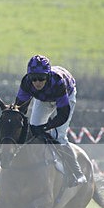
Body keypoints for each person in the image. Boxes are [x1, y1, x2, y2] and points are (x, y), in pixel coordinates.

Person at [14, 54, 87, 187]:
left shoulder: (58, 82)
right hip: (43, 99)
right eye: (33, 78)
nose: (37, 82)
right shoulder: (26, 82)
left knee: (59, 136)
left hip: (66, 95)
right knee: (34, 130)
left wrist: (48, 126)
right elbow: (19, 108)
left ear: (47, 76)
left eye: (41, 78)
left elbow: (63, 115)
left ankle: (77, 173)